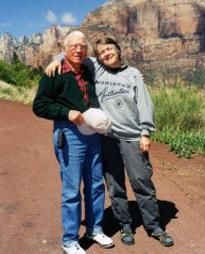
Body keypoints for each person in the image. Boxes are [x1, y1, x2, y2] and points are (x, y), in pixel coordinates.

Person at [46, 37, 174, 247]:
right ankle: (125, 225)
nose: (105, 54)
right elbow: (74, 54)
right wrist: (57, 59)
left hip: (132, 138)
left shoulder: (133, 74)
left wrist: (145, 132)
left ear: (118, 49)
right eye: (102, 52)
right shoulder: (96, 68)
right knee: (115, 186)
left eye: (109, 49)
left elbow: (144, 104)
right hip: (106, 139)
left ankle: (154, 227)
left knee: (142, 182)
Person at [32, 31, 114, 254]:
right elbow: (39, 106)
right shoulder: (54, 74)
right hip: (69, 135)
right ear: (64, 48)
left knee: (96, 184)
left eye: (82, 46)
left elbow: (111, 65)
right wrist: (65, 112)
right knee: (72, 190)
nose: (78, 50)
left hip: (92, 133)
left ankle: (94, 229)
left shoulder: (87, 69)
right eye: (73, 46)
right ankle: (69, 240)